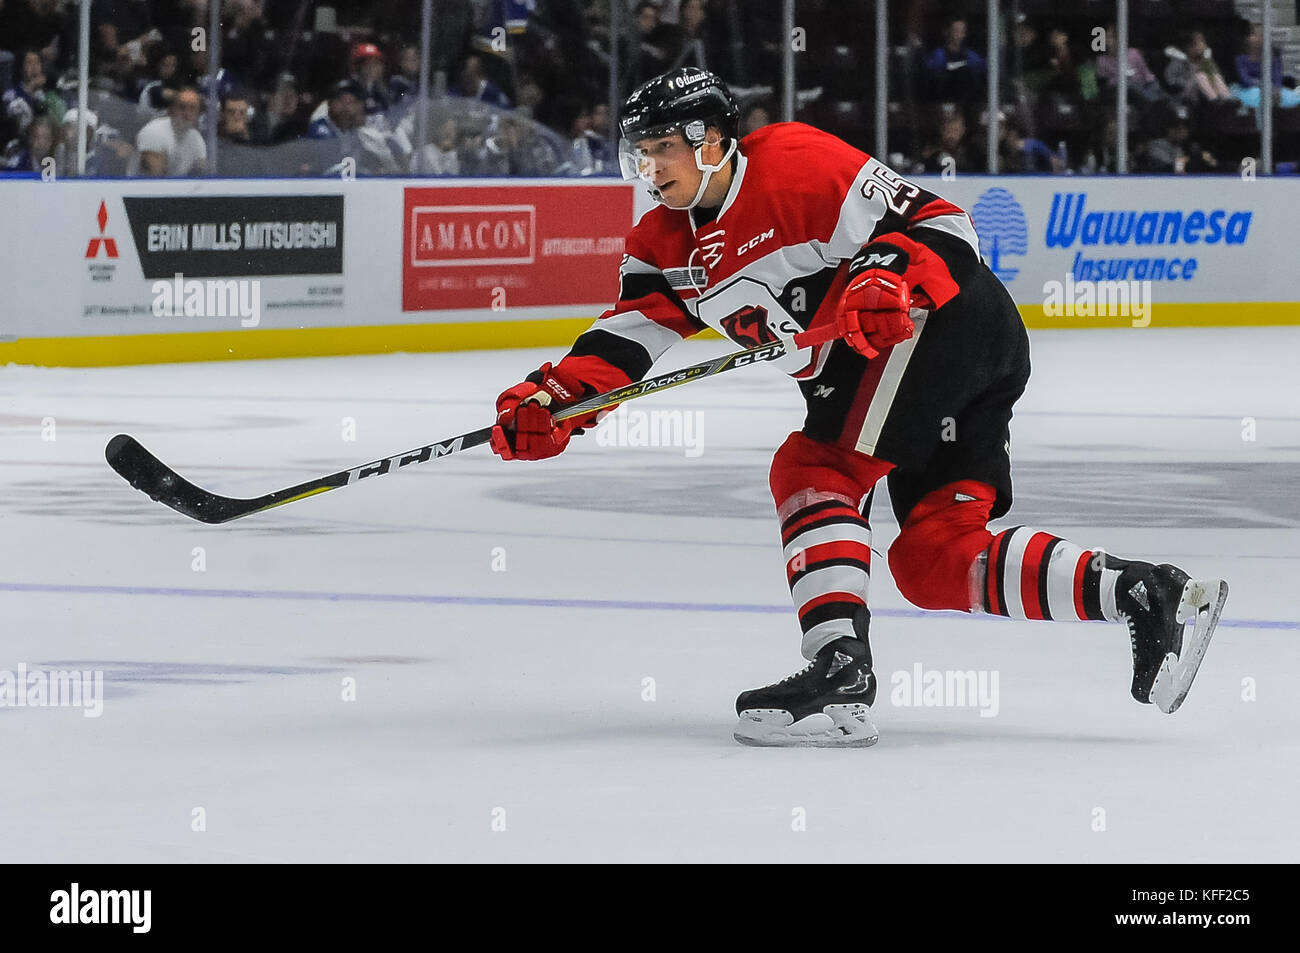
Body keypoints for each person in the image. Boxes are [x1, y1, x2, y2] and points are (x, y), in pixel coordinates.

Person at [486, 68, 1228, 747]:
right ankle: (1142, 590)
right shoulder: (660, 244)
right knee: (933, 556)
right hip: (940, 359)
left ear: (711, 141)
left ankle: (840, 665)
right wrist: (554, 400)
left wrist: (886, 276)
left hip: (945, 323)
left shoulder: (797, 166)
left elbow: (945, 225)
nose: (649, 169)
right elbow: (625, 340)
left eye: (661, 150)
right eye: (639, 153)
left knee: (816, 467)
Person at [134, 85, 206, 176]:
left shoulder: (197, 138)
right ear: (170, 110)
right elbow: (154, 178)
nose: (187, 114)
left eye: (192, 108)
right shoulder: (154, 131)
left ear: (198, 114)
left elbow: (202, 174)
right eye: (182, 107)